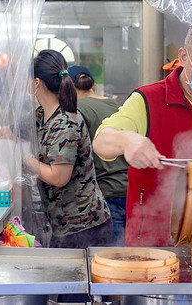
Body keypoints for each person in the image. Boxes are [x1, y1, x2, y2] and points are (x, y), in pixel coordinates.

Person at [93, 18, 192, 247]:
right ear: (184, 56)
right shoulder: (148, 100)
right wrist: (128, 140)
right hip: (152, 246)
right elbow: (101, 141)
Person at [23, 50, 112, 248]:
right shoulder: (41, 115)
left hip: (84, 226)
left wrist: (25, 159)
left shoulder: (65, 122)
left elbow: (58, 177)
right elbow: (13, 130)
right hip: (63, 225)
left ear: (36, 82)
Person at [67, 64, 127, 246]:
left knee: (110, 261)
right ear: (93, 85)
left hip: (107, 193)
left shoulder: (77, 111)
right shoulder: (115, 105)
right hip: (130, 190)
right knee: (129, 255)